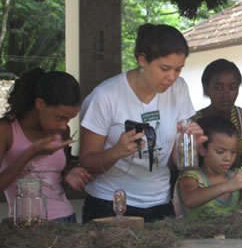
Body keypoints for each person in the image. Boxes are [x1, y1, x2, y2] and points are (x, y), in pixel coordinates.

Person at [79, 23, 206, 223]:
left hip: (160, 202)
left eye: (178, 70)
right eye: (164, 68)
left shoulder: (179, 89)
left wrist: (190, 144)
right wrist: (117, 151)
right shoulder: (105, 96)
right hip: (110, 204)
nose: (172, 77)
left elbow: (177, 160)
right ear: (142, 60)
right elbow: (87, 162)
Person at [0, 68, 91, 223]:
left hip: (66, 219)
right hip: (25, 224)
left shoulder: (61, 132)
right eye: (59, 117)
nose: (64, 126)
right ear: (40, 104)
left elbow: (55, 181)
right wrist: (31, 152)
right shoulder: (7, 130)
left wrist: (68, 175)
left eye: (68, 119)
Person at [174, 116, 242, 219]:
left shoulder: (235, 175)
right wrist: (226, 186)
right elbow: (189, 200)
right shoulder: (192, 176)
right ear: (202, 149)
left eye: (233, 152)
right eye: (220, 152)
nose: (228, 158)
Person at [194, 59, 242, 168]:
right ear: (206, 88)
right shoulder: (194, 122)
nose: (226, 95)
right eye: (218, 88)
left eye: (232, 88)